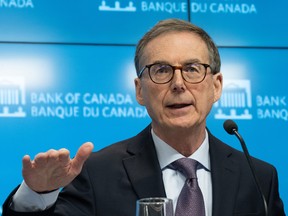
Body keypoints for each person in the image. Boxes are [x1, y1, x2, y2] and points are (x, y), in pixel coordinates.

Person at [2, 18, 285, 216]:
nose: (178, 83)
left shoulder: (258, 176)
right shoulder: (98, 172)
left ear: (217, 86)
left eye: (192, 68)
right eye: (161, 70)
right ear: (140, 91)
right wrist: (36, 196)